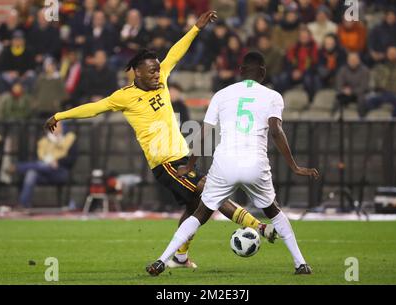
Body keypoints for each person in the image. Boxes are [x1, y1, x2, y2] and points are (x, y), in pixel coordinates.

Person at [44, 11, 277, 270]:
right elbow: (94, 107)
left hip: (182, 157)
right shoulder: (124, 97)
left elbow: (177, 51)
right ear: (138, 74)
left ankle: (179, 256)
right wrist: (60, 115)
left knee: (195, 206)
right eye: (152, 71)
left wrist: (195, 29)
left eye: (158, 69)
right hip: (165, 163)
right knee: (210, 193)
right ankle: (259, 227)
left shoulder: (162, 76)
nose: (157, 74)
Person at [146, 51, 319, 276]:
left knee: (199, 213)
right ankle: (301, 264)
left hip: (225, 162)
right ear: (264, 73)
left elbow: (205, 132)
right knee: (274, 211)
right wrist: (295, 166)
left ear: (240, 72)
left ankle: (161, 260)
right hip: (255, 163)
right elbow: (276, 131)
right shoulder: (273, 96)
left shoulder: (221, 94)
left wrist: (189, 166)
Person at [15, 121, 77, 208]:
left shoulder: (69, 138)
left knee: (40, 166)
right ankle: (23, 204)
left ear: (62, 127)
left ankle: (19, 167)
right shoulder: (44, 140)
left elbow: (72, 159)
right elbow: (39, 157)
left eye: (56, 126)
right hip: (43, 170)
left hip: (60, 171)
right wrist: (49, 161)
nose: (54, 128)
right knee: (31, 173)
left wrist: (58, 162)